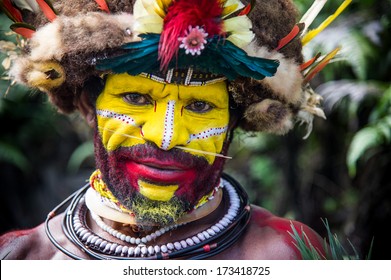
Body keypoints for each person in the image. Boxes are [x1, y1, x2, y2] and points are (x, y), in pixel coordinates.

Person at [0, 0, 347, 260]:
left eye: (199, 106)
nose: (166, 136)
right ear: (88, 106)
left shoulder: (287, 254)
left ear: (234, 120)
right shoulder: (22, 256)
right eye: (135, 97)